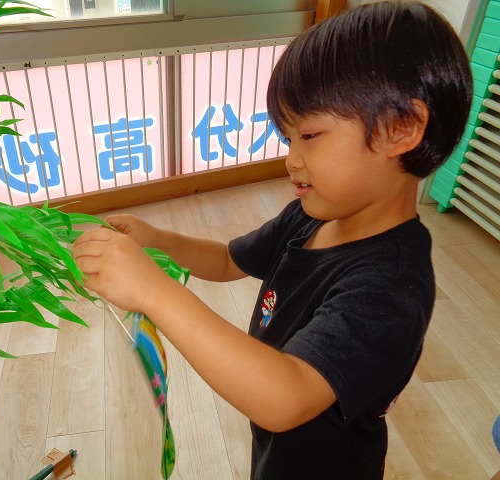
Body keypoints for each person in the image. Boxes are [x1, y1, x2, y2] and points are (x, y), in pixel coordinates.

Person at [73, 2, 473, 478]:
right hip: (278, 450)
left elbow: (286, 397)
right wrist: (157, 241)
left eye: (309, 135)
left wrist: (153, 291)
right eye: (288, 139)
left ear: (400, 129)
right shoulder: (309, 217)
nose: (291, 160)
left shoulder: (392, 287)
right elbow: (227, 260)